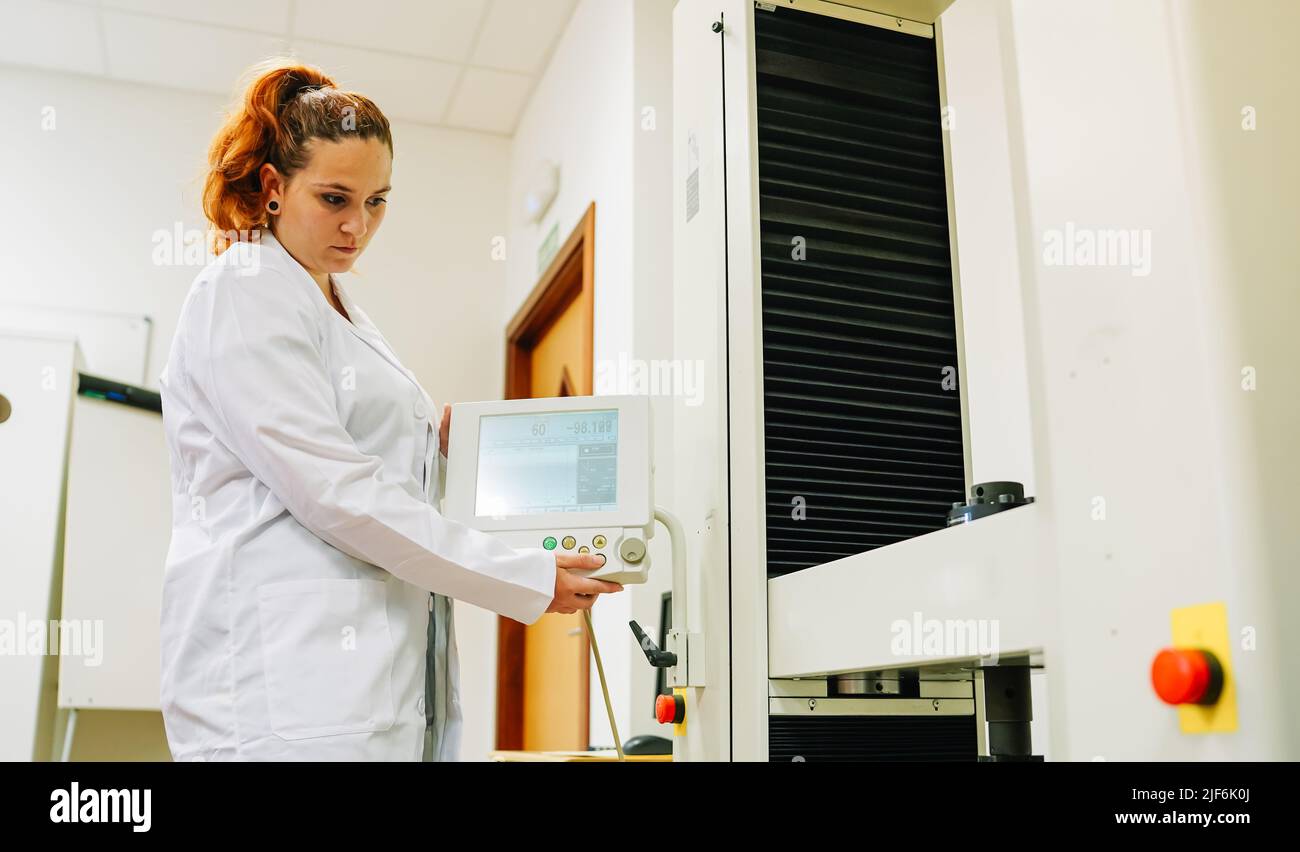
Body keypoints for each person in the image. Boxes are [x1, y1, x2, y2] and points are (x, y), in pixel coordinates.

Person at [157, 59, 622, 761]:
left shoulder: (335, 306)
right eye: (336, 199)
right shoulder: (245, 288)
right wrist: (523, 576)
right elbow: (335, 492)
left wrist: (430, 445)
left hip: (369, 682)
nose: (358, 226)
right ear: (274, 189)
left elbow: (352, 461)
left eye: (377, 202)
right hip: (282, 688)